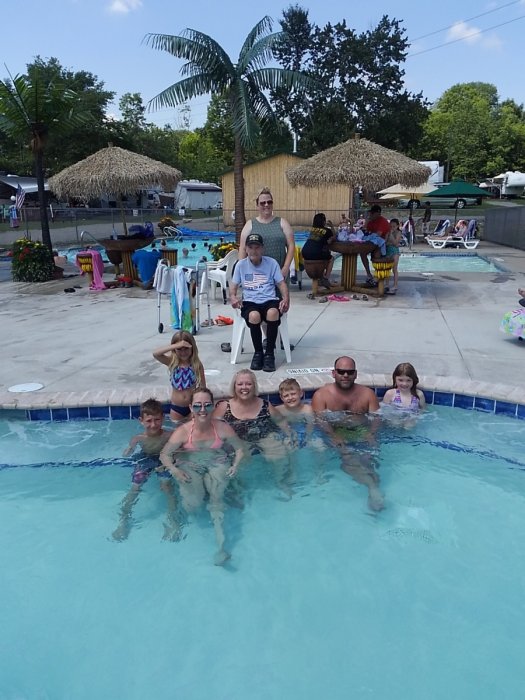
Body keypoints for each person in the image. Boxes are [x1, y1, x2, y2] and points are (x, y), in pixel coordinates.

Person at [159, 388, 245, 565]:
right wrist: (174, 470)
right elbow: (165, 455)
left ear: (213, 406)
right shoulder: (183, 431)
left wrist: (236, 465)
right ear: (191, 407)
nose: (203, 410)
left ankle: (221, 546)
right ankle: (177, 520)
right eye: (198, 406)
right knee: (193, 504)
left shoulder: (222, 427)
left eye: (207, 405)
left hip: (217, 462)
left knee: (217, 500)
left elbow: (240, 448)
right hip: (190, 465)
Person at [311, 356, 384, 511]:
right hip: (336, 432)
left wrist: (371, 434)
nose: (345, 375)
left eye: (349, 372)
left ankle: (373, 485)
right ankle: (372, 487)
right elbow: (320, 420)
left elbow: (377, 418)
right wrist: (333, 435)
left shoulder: (367, 394)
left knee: (368, 458)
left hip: (362, 431)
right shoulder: (321, 395)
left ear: (355, 374)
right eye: (341, 371)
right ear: (333, 373)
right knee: (348, 459)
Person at [112, 398, 179, 542]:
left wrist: (170, 463)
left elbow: (176, 452)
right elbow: (129, 450)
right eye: (149, 421)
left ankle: (173, 523)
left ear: (163, 418)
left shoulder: (169, 435)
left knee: (167, 488)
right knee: (135, 488)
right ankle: (123, 521)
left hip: (163, 460)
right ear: (141, 421)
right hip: (145, 460)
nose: (153, 424)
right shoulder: (138, 438)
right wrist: (127, 452)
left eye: (157, 420)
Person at [229, 232, 289, 373]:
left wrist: (286, 298)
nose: (254, 250)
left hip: (269, 300)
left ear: (262, 249)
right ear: (246, 249)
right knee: (254, 316)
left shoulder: (271, 263)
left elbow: (281, 284)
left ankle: (269, 354)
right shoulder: (241, 265)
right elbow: (233, 286)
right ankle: (258, 353)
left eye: (257, 247)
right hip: (250, 301)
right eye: (251, 247)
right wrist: (233, 296)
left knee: (273, 313)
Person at [213, 369, 288, 463]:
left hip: (264, 438)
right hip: (239, 442)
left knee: (279, 457)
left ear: (254, 386)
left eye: (248, 384)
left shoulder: (265, 405)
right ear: (234, 387)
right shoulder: (224, 407)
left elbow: (281, 421)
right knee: (241, 460)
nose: (244, 387)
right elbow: (212, 427)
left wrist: (289, 436)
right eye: (240, 384)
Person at [239, 187, 295, 280]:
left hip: (279, 273)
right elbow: (242, 248)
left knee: (281, 294)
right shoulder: (249, 225)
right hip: (255, 274)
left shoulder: (282, 223)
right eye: (262, 203)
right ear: (257, 205)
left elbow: (291, 246)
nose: (266, 205)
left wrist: (286, 267)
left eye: (269, 202)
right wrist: (242, 270)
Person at [153, 330, 206, 421]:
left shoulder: (196, 365)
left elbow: (203, 387)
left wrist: (200, 407)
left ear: (192, 348)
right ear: (174, 349)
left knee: (192, 431)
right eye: (179, 349)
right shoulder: (172, 362)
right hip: (176, 408)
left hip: (192, 407)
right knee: (176, 432)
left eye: (186, 349)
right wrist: (175, 345)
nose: (183, 352)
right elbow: (156, 354)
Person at [301, 213, 336, 289]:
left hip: (305, 253)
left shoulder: (312, 229)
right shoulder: (327, 230)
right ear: (323, 221)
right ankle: (326, 278)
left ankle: (321, 277)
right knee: (331, 258)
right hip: (315, 253)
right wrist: (332, 226)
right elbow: (335, 237)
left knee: (325, 255)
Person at [360, 204, 390, 286]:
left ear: (378, 213)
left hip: (382, 244)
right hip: (372, 244)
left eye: (372, 213)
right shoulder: (371, 221)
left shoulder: (383, 221)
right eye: (371, 213)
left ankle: (379, 279)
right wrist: (367, 221)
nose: (371, 215)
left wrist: (370, 234)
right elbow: (364, 231)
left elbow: (378, 234)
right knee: (362, 253)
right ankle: (369, 274)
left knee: (377, 256)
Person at [384, 218, 403, 295]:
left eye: (394, 226)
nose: (392, 228)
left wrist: (391, 235)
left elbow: (395, 243)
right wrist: (389, 235)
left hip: (394, 251)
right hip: (388, 250)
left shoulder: (398, 233)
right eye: (390, 226)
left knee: (394, 268)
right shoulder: (387, 233)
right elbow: (385, 242)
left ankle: (395, 285)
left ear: (397, 226)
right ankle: (387, 284)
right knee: (387, 268)